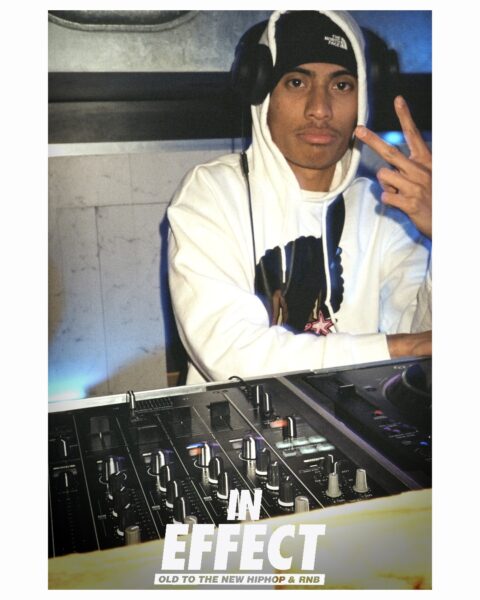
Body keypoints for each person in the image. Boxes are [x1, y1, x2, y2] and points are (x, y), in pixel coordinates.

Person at [168, 10, 432, 384]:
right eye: (296, 82)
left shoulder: (386, 208)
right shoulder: (212, 193)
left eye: (341, 86)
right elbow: (232, 356)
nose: (320, 109)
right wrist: (399, 347)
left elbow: (424, 341)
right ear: (262, 94)